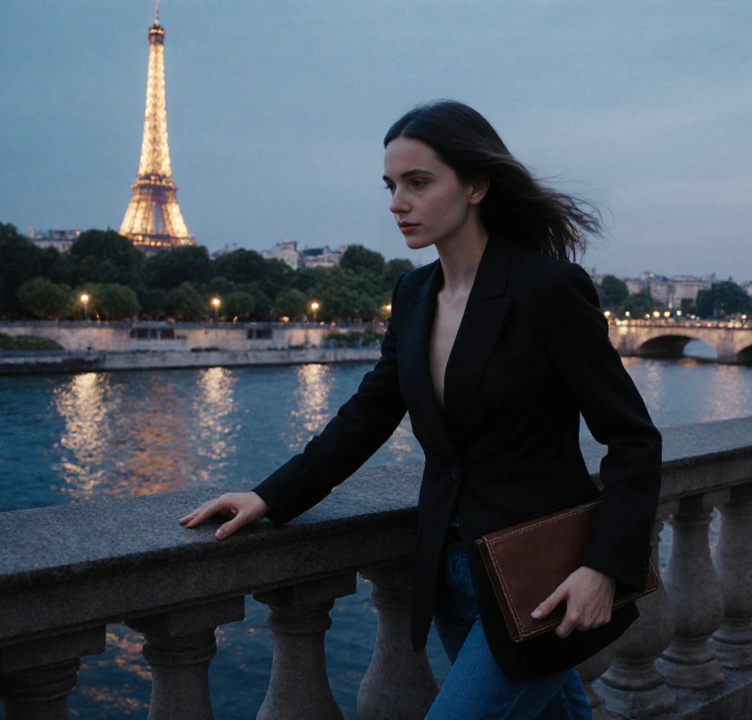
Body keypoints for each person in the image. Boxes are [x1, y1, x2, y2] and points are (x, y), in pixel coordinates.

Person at [180, 100, 661, 719]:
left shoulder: (547, 291)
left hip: (541, 575)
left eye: (418, 182)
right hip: (449, 571)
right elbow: (369, 414)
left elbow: (633, 439)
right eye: (391, 186)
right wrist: (271, 496)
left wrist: (605, 568)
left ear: (477, 186)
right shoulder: (412, 294)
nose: (396, 203)